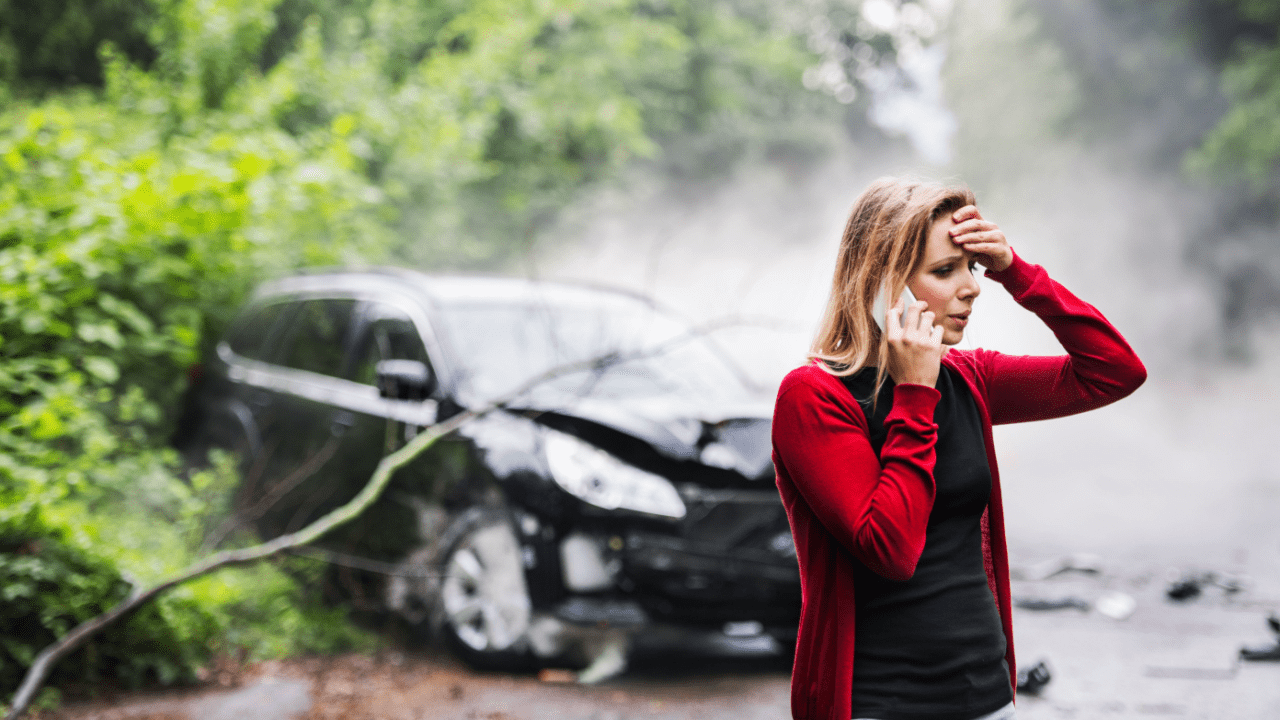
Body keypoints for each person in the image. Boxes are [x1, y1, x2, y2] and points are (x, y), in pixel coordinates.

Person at [771, 178, 1146, 720]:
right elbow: (892, 548)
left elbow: (1114, 371)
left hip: (988, 699)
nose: (971, 288)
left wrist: (1016, 271)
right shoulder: (812, 397)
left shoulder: (970, 379)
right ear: (881, 286)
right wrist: (916, 394)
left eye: (970, 268)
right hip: (876, 703)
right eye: (945, 271)